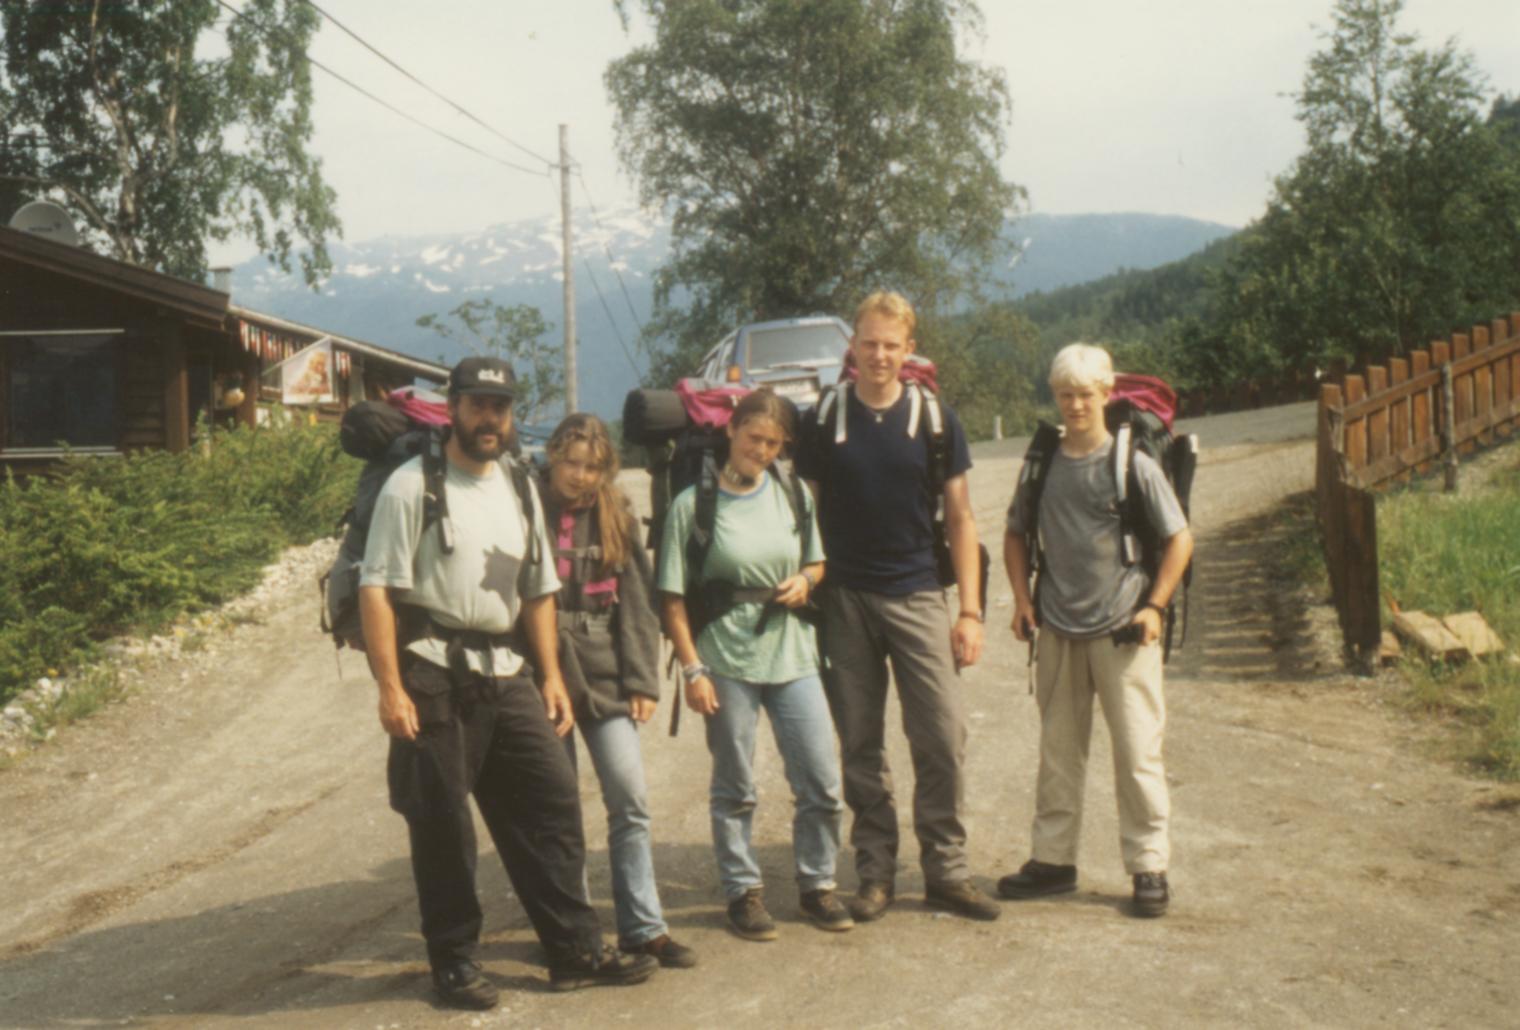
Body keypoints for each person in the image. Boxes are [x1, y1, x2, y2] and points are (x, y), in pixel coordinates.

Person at [359, 356, 657, 1009]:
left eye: (500, 407)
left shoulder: (519, 487)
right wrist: (390, 687)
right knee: (443, 825)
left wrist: (550, 675)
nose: (489, 418)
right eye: (476, 404)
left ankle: (573, 951)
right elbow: (375, 590)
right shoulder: (413, 486)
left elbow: (538, 592)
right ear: (454, 408)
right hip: (434, 669)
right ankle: (456, 962)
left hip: (507, 669)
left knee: (550, 804)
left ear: (511, 414)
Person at [794, 290, 999, 923]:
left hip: (916, 594)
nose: (879, 355)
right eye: (869, 342)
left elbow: (962, 519)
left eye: (891, 344)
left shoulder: (936, 419)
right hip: (846, 599)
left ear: (909, 349)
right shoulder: (826, 418)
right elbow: (805, 512)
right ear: (850, 347)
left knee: (941, 735)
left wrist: (970, 612)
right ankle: (875, 872)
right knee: (861, 742)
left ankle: (946, 870)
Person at [999, 342, 1193, 918]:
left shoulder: (1133, 463)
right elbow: (1014, 533)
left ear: (1108, 394)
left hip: (1123, 630)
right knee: (1058, 752)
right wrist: (1019, 599)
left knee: (1137, 753)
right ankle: (1053, 862)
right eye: (1065, 395)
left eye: (1085, 394)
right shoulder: (1042, 463)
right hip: (1057, 626)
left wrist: (1154, 605)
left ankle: (1149, 866)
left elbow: (1179, 536)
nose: (1075, 405)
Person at [656, 389, 853, 941]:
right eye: (753, 438)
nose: (762, 451)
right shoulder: (692, 506)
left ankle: (818, 886)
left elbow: (817, 561)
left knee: (820, 780)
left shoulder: (792, 493)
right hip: (725, 658)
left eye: (773, 442)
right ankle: (743, 892)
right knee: (735, 785)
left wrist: (806, 580)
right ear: (731, 431)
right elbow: (671, 598)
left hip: (792, 651)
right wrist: (692, 670)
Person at [539, 413, 697, 970]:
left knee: (629, 797)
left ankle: (643, 926)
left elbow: (637, 601)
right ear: (553, 457)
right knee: (556, 808)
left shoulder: (615, 515)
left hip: (605, 669)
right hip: (545, 671)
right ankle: (574, 932)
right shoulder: (525, 505)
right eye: (570, 463)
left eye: (590, 467)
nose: (578, 476)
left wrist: (642, 681)